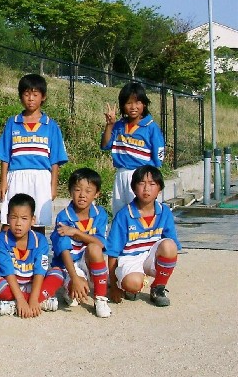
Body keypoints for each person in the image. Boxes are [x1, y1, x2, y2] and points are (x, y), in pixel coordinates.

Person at [0, 74, 68, 234]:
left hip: (41, 179)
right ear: (21, 96)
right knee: (9, 221)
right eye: (26, 94)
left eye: (35, 94)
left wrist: (53, 186)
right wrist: (3, 181)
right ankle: (6, 249)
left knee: (38, 221)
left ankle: (38, 249)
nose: (31, 99)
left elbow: (55, 160)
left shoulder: (51, 125)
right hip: (16, 176)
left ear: (43, 97)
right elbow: (5, 156)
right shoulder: (12, 123)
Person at [106, 165, 181, 307]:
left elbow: (172, 245)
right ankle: (129, 285)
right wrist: (114, 286)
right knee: (133, 283)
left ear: (159, 189)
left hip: (150, 257)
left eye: (152, 184)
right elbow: (113, 253)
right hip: (130, 259)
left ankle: (158, 288)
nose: (146, 189)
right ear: (134, 188)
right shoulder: (124, 215)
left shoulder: (164, 211)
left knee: (170, 246)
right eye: (141, 183)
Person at [0, 193, 64, 318]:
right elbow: (8, 272)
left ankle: (25, 303)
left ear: (32, 220)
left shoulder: (40, 240)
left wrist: (33, 298)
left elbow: (40, 271)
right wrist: (20, 299)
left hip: (33, 285)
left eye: (24, 218)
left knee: (58, 273)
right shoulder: (1, 240)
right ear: (7, 218)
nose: (18, 223)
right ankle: (39, 302)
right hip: (10, 285)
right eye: (14, 217)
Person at [50, 168, 111, 318]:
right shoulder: (64, 216)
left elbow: (101, 244)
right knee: (77, 289)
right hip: (70, 264)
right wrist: (75, 278)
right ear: (70, 191)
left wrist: (76, 232)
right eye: (77, 190)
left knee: (94, 248)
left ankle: (100, 298)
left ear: (97, 194)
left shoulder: (100, 214)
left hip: (88, 261)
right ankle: (71, 287)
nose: (82, 195)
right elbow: (64, 250)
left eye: (88, 191)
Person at [101, 82, 165, 215]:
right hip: (121, 174)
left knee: (139, 212)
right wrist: (110, 125)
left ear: (144, 104)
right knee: (119, 213)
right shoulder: (119, 125)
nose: (133, 107)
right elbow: (105, 145)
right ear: (122, 105)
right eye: (128, 103)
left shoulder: (151, 127)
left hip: (140, 176)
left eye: (137, 102)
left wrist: (150, 181)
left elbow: (158, 158)